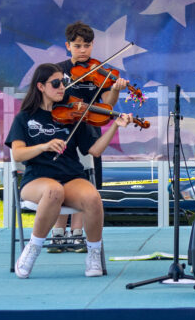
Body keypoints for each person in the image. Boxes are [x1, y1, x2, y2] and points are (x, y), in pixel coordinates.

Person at [9, 64, 134, 278]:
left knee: (93, 197)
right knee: (53, 191)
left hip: (70, 176)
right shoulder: (24, 118)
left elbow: (94, 150)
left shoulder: (74, 115)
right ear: (40, 86)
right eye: (55, 83)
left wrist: (115, 126)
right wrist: (44, 146)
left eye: (64, 83)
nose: (62, 88)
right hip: (37, 180)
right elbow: (18, 154)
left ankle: (93, 253)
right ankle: (33, 248)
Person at [51, 21, 129, 251]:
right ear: (68, 46)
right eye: (77, 46)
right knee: (60, 180)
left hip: (88, 130)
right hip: (62, 130)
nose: (82, 50)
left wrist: (115, 89)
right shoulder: (58, 70)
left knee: (85, 180)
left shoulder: (100, 71)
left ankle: (77, 234)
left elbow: (107, 105)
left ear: (93, 45)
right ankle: (57, 234)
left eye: (86, 45)